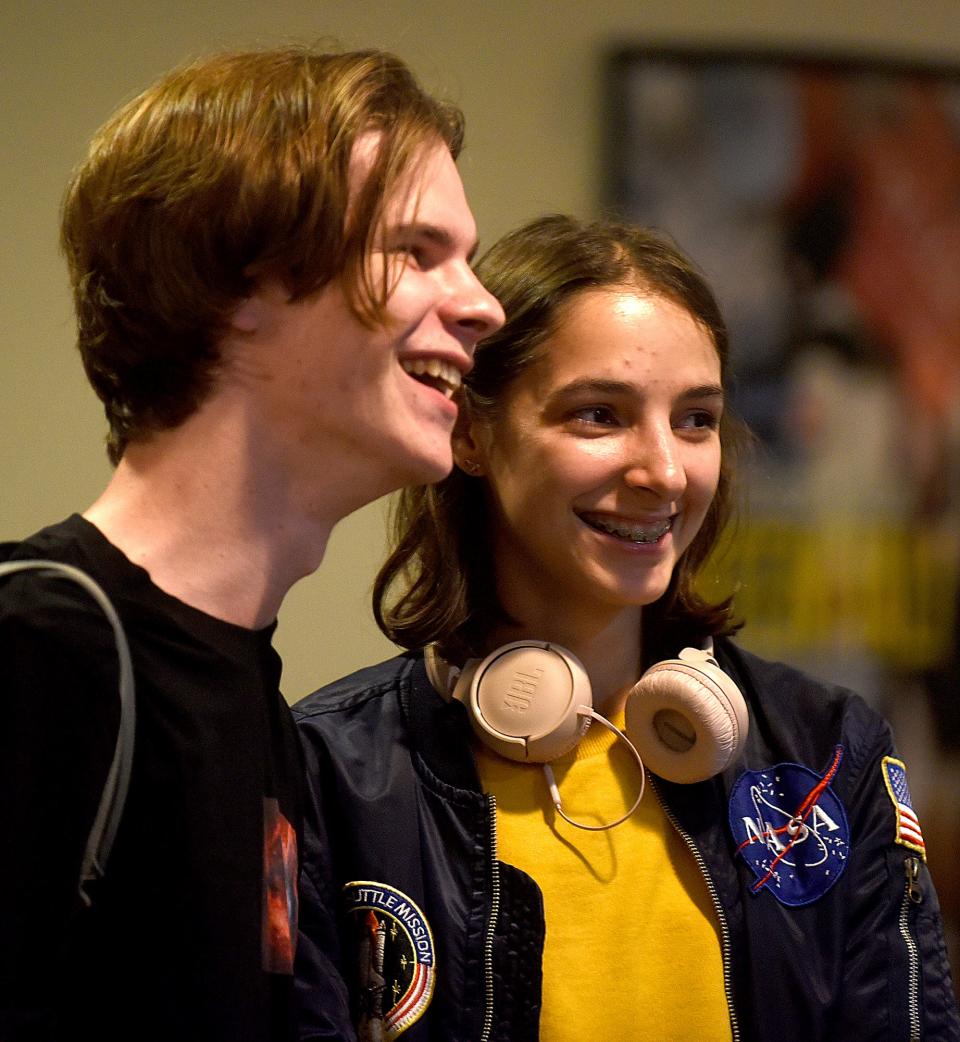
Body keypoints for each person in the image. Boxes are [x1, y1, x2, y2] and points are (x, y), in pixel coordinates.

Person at [293, 214, 960, 1041]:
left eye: (696, 419)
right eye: (599, 415)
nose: (665, 472)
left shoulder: (827, 756)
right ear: (470, 430)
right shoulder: (330, 775)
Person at [0, 45, 503, 1042]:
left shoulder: (255, 705)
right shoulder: (42, 649)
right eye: (416, 250)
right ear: (238, 287)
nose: (483, 304)